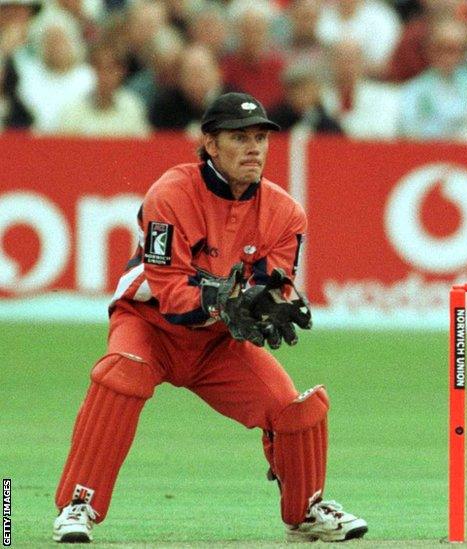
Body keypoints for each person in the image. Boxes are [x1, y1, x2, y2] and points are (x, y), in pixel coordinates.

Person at [52, 92, 368, 544]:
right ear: (210, 144)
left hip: (219, 343)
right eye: (239, 138)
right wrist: (224, 301)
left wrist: (269, 306)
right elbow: (169, 290)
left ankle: (306, 512)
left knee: (295, 409)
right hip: (150, 325)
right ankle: (78, 504)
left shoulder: (284, 213)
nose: (254, 148)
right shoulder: (172, 193)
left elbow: (274, 286)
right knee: (124, 375)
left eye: (260, 137)